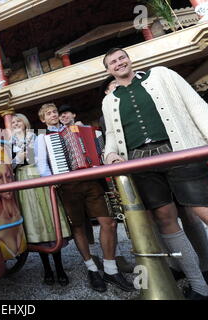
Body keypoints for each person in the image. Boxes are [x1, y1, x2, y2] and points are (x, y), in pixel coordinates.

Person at [102, 47, 208, 299]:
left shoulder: (162, 75)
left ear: (129, 60)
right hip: (140, 162)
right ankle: (200, 286)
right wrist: (109, 155)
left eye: (122, 58)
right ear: (109, 70)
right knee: (165, 220)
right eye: (113, 62)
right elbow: (111, 135)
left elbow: (195, 106)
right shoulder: (109, 100)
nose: (119, 63)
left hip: (178, 150)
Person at [35, 103, 134, 293]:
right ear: (42, 119)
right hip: (68, 186)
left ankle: (111, 269)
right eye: (48, 114)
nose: (53, 115)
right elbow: (42, 166)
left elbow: (93, 149)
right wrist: (53, 182)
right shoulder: (42, 138)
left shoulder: (78, 129)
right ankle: (92, 269)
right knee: (78, 226)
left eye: (55, 112)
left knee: (109, 222)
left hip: (91, 181)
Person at [59, 103, 134, 274]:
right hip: (71, 184)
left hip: (95, 180)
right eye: (60, 115)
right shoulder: (56, 135)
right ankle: (93, 261)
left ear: (74, 115)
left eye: (66, 113)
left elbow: (101, 151)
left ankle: (115, 260)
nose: (63, 116)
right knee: (80, 224)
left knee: (109, 220)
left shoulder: (92, 131)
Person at [11, 113, 72, 286]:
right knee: (34, 223)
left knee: (49, 220)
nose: (16, 123)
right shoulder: (9, 143)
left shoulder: (37, 138)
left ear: (25, 122)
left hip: (38, 177)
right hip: (22, 181)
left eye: (18, 121)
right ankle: (46, 269)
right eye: (13, 122)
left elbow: (45, 160)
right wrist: (17, 159)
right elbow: (6, 165)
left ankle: (59, 267)